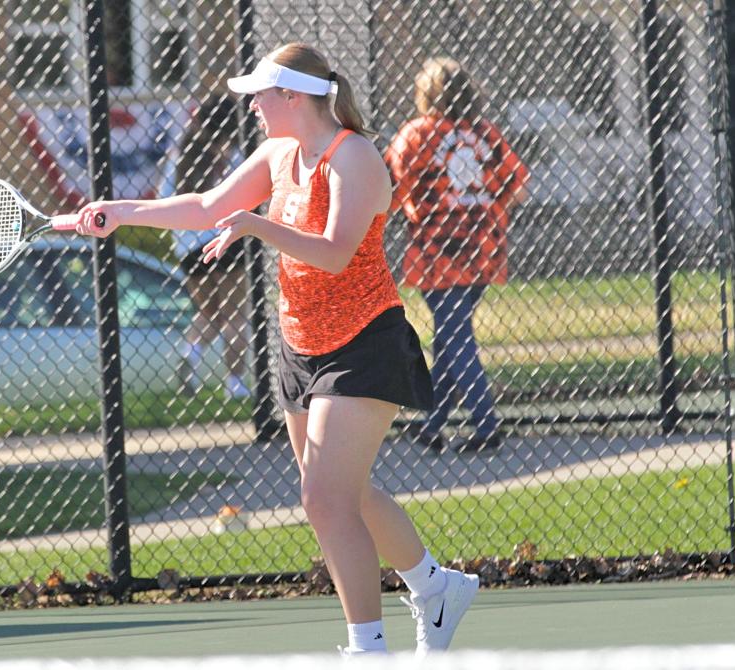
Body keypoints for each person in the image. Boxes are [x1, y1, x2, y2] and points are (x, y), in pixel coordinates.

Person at [68, 43, 479, 657]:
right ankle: (436, 588)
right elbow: (207, 206)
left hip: (365, 342)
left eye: (260, 94)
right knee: (346, 493)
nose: (253, 105)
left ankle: (368, 647)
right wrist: (121, 212)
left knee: (323, 499)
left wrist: (256, 225)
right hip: (299, 344)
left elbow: (337, 252)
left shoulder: (356, 157)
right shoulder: (277, 154)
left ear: (291, 96)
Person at [385, 57, 529, 454]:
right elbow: (518, 187)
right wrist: (486, 211)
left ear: (427, 93)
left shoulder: (415, 134)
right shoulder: (485, 133)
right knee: (452, 337)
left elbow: (390, 193)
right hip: (484, 248)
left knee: (455, 335)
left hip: (439, 251)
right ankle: (432, 425)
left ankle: (487, 427)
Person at [159, 96, 251, 400]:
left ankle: (192, 350)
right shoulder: (233, 155)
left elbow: (164, 196)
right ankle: (234, 383)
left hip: (188, 245)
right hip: (225, 238)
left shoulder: (180, 154)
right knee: (235, 313)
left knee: (208, 311)